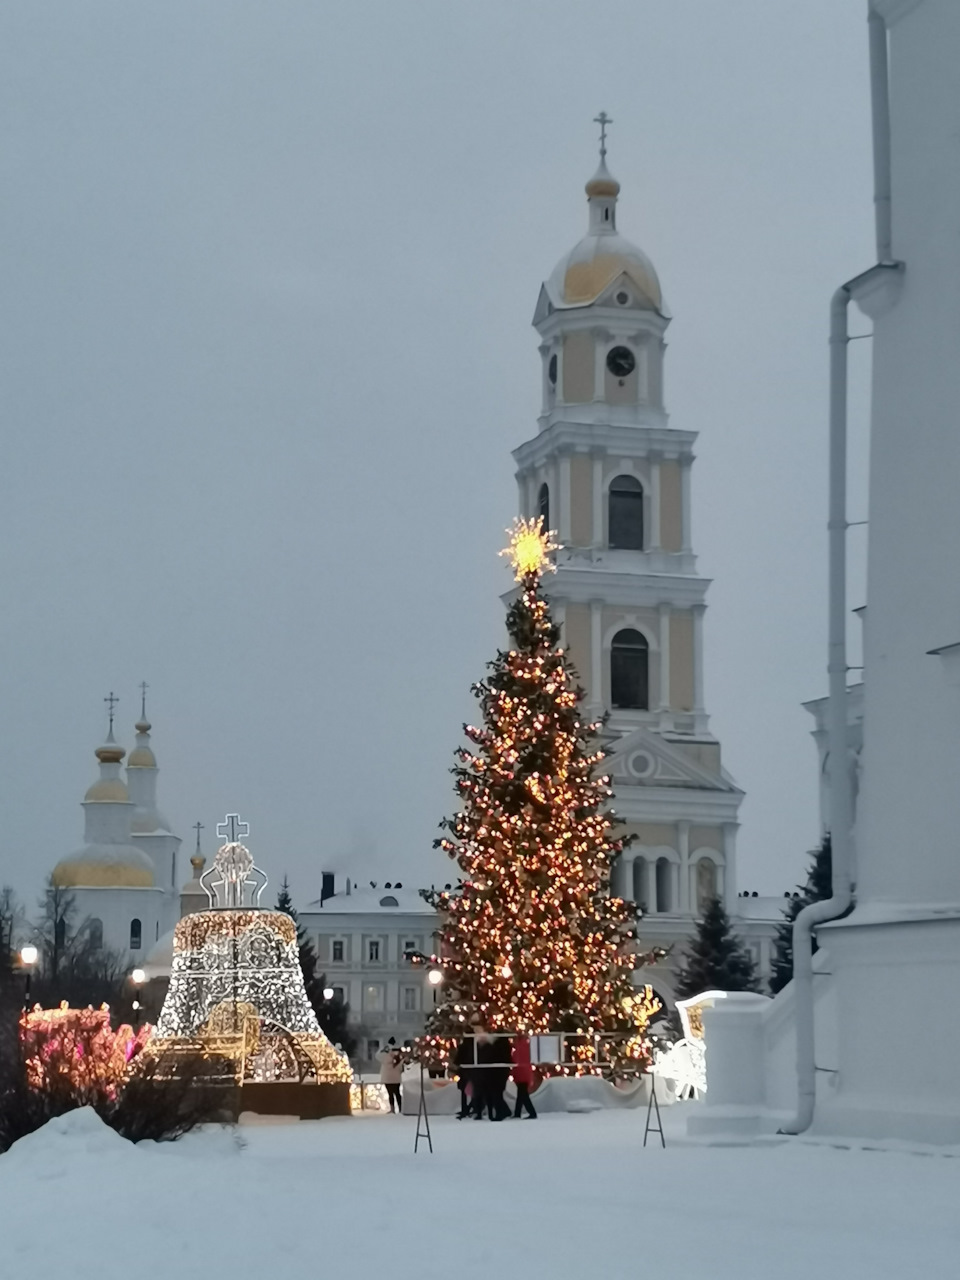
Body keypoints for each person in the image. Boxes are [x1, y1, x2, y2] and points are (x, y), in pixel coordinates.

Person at [511, 1034, 537, 1119]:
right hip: (526, 1074)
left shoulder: (516, 1051)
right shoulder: (529, 1049)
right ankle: (517, 1112)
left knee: (523, 1095)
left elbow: (515, 1062)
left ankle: (532, 1112)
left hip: (520, 1074)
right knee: (521, 1094)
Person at [453, 1032, 477, 1119]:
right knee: (475, 1091)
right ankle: (473, 1107)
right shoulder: (476, 1046)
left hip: (464, 1071)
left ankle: (465, 1109)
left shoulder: (463, 1047)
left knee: (464, 1092)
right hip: (475, 1071)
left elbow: (457, 1060)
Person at [378, 1037, 404, 1113]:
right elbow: (401, 1067)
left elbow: (377, 1055)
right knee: (397, 1093)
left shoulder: (385, 1055)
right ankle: (400, 1108)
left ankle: (392, 1109)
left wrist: (383, 1049)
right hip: (396, 1078)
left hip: (387, 1077)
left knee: (390, 1094)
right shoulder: (399, 1056)